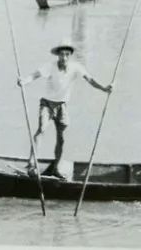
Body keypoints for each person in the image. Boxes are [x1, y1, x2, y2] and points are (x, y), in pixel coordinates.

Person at [17, 38, 111, 179]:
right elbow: (35, 75)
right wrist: (24, 81)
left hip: (62, 105)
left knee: (62, 138)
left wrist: (104, 88)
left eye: (67, 54)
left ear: (70, 55)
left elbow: (89, 79)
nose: (64, 57)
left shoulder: (75, 67)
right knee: (41, 129)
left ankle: (56, 167)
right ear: (58, 55)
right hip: (47, 104)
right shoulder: (51, 66)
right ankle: (32, 163)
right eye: (62, 54)